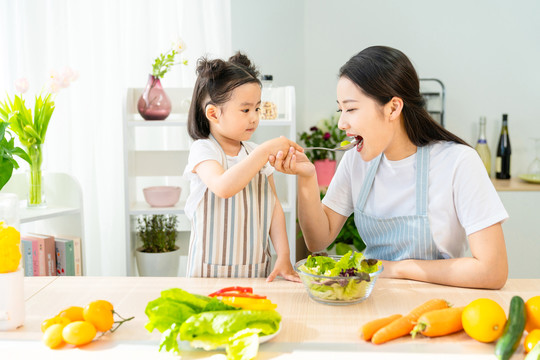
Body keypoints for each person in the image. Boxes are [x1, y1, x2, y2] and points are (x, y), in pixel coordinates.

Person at [271, 46, 508, 289]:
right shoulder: (356, 160)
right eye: (340, 109)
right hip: (373, 295)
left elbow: (492, 270)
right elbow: (318, 240)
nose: (342, 123)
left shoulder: (458, 162)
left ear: (393, 108)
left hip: (439, 301)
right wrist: (307, 178)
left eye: (351, 109)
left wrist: (398, 268)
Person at [184, 52, 301, 282]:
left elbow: (274, 207)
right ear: (213, 113)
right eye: (245, 110)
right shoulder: (204, 151)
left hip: (255, 272)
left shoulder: (255, 153)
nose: (254, 117)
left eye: (257, 108)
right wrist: (264, 151)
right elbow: (223, 187)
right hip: (207, 277)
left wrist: (284, 255)